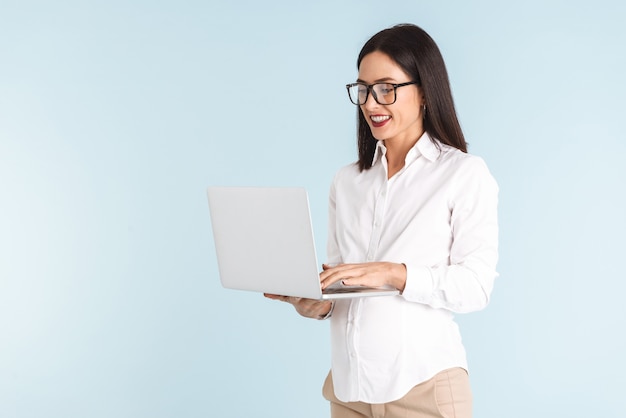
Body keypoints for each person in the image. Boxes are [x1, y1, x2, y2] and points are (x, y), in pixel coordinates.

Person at [265, 23, 498, 418]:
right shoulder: (348, 181)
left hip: (423, 388)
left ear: (424, 91)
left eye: (387, 88)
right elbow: (346, 285)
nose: (372, 103)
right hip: (349, 388)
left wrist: (394, 273)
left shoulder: (463, 174)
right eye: (363, 89)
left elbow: (475, 286)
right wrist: (316, 302)